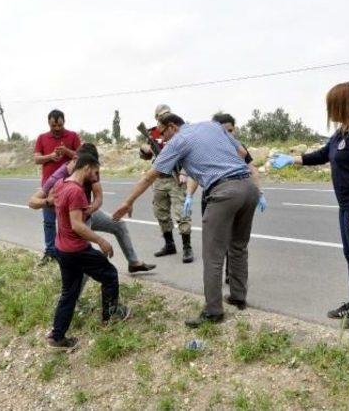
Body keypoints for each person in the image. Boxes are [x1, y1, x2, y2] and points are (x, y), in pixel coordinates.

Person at [114, 113, 264, 328]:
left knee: (213, 254)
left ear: (172, 126)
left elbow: (150, 176)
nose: (163, 139)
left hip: (223, 192)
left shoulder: (178, 141)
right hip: (248, 187)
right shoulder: (211, 126)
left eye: (163, 132)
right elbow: (242, 152)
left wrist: (128, 202)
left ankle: (213, 311)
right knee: (238, 246)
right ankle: (238, 297)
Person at [270, 82, 349, 329]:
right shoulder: (342, 133)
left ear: (343, 105)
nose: (329, 111)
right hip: (346, 205)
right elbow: (322, 155)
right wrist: (292, 160)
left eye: (331, 105)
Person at [29, 143, 156, 273]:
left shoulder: (91, 168)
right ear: (76, 159)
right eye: (89, 167)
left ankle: (133, 263)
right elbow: (32, 202)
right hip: (75, 220)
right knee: (86, 258)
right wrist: (48, 202)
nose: (93, 173)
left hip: (88, 213)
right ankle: (76, 290)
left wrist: (91, 209)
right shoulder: (59, 176)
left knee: (119, 225)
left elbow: (98, 197)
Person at [46, 153, 130, 349]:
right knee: (109, 274)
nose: (97, 176)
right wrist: (101, 241)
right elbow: (77, 225)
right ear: (87, 167)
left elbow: (62, 213)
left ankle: (57, 336)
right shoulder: (76, 191)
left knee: (70, 292)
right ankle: (110, 318)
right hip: (76, 249)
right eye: (96, 171)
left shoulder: (61, 184)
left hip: (62, 248)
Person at [184, 113, 266, 285]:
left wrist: (260, 193)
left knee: (235, 241)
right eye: (225, 130)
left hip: (235, 195)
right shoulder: (205, 146)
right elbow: (195, 175)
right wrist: (189, 196)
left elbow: (252, 169)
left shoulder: (239, 148)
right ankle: (215, 281)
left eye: (231, 130)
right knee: (215, 243)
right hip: (213, 197)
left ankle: (231, 275)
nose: (229, 134)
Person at [138, 104, 194, 263]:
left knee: (182, 214)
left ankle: (187, 247)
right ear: (156, 117)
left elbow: (188, 153)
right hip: (159, 178)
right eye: (160, 115)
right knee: (161, 212)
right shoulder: (152, 133)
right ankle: (169, 244)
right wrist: (144, 149)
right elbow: (145, 157)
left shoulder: (176, 130)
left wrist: (184, 171)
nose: (162, 117)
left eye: (166, 114)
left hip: (176, 177)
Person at [34, 109, 82, 266]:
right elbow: (37, 159)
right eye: (53, 125)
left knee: (67, 221)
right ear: (49, 123)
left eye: (60, 125)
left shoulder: (73, 136)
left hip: (69, 186)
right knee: (49, 222)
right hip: (48, 187)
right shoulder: (42, 138)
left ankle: (65, 252)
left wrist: (67, 151)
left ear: (64, 122)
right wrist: (50, 156)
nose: (57, 128)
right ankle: (50, 251)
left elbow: (82, 158)